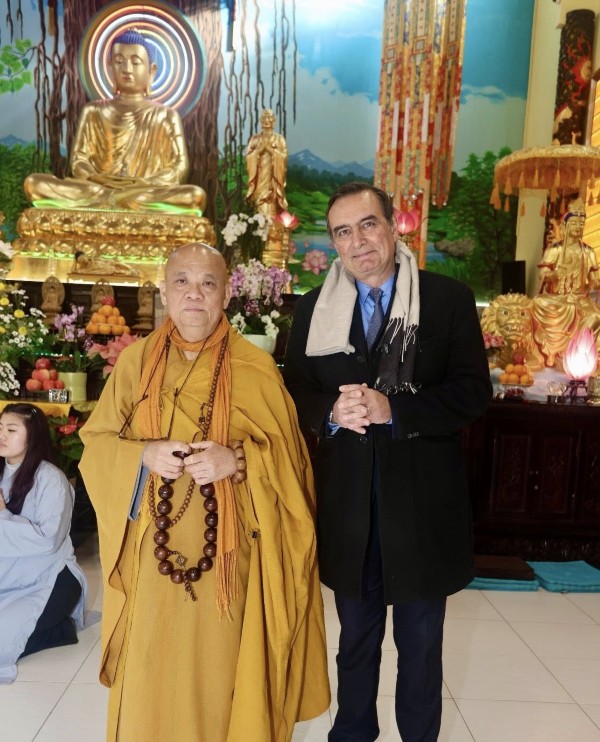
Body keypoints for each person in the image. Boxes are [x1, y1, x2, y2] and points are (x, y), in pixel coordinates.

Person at [79, 243, 330, 742]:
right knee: (148, 675)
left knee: (219, 682)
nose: (194, 294)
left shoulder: (255, 367)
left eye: (207, 283)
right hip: (152, 557)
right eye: (182, 281)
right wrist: (143, 455)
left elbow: (292, 466)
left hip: (227, 561)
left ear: (225, 295)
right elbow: (97, 442)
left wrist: (236, 461)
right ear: (163, 292)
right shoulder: (135, 363)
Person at [284, 182, 492, 742]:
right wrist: (330, 411)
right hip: (349, 505)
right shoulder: (314, 309)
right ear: (333, 243)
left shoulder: (447, 300)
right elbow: (294, 390)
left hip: (422, 505)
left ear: (393, 225)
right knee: (355, 640)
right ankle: (352, 733)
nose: (357, 241)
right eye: (342, 232)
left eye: (368, 224)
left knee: (420, 644)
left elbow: (473, 393)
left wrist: (394, 410)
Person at [23, 29, 205, 213]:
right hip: (98, 188)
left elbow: (179, 166)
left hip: (143, 191)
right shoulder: (94, 110)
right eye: (119, 61)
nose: (127, 69)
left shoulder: (165, 115)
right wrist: (95, 177)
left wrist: (145, 182)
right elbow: (79, 160)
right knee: (34, 184)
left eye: (136, 62)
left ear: (151, 71)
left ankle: (115, 201)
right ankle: (116, 200)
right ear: (110, 67)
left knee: (194, 197)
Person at [0, 403, 87, 684]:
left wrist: (3, 515)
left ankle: (59, 629)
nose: (2, 435)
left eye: (11, 429)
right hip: (8, 577)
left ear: (33, 436)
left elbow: (48, 541)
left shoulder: (51, 479)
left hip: (51, 581)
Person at [533, 197, 600, 366]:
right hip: (557, 298)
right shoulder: (555, 249)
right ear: (566, 225)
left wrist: (595, 283)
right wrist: (554, 275)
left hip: (579, 298)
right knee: (536, 303)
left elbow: (594, 280)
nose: (578, 227)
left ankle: (575, 352)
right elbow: (542, 274)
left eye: (581, 224)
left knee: (595, 316)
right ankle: (550, 352)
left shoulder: (588, 252)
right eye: (574, 223)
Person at [245, 108, 288, 216]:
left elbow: (284, 158)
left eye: (269, 117)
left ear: (274, 120)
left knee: (271, 207)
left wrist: (270, 150)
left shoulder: (280, 139)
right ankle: (258, 222)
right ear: (260, 120)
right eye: (264, 118)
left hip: (272, 182)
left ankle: (271, 223)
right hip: (259, 180)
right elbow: (249, 157)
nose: (266, 120)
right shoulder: (254, 139)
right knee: (258, 203)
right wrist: (259, 150)